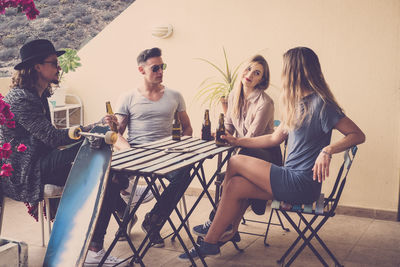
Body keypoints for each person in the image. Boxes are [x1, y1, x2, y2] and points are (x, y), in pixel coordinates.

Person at [179, 46, 366, 260]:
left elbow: (358, 135)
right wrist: (237, 140)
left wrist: (328, 150)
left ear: (295, 71)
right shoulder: (296, 103)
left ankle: (222, 225)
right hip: (289, 179)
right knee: (234, 186)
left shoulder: (322, 105)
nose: (282, 74)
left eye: (285, 68)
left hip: (301, 184)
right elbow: (273, 138)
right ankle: (214, 241)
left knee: (236, 162)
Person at [0, 39, 128, 266]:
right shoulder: (20, 99)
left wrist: (94, 126)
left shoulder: (38, 97)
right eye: (53, 63)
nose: (58, 68)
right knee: (95, 146)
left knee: (109, 179)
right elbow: (53, 137)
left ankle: (94, 246)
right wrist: (95, 132)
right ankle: (124, 201)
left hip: (42, 161)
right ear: (37, 67)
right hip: (24, 170)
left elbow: (54, 137)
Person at [192, 55, 283, 241]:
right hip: (245, 152)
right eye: (249, 69)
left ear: (261, 80)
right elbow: (229, 127)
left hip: (265, 155)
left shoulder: (265, 103)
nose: (250, 74)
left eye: (256, 73)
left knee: (236, 167)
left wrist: (232, 140)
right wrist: (216, 135)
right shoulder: (233, 96)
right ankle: (229, 227)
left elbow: (251, 138)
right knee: (236, 174)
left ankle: (216, 221)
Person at [114, 47, 193, 247]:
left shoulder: (175, 95)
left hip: (166, 154)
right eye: (155, 68)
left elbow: (187, 128)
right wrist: (129, 152)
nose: (160, 71)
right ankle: (125, 215)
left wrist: (180, 147)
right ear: (142, 70)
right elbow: (116, 134)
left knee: (184, 172)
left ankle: (154, 221)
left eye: (162, 67)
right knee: (109, 176)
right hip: (136, 153)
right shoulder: (128, 97)